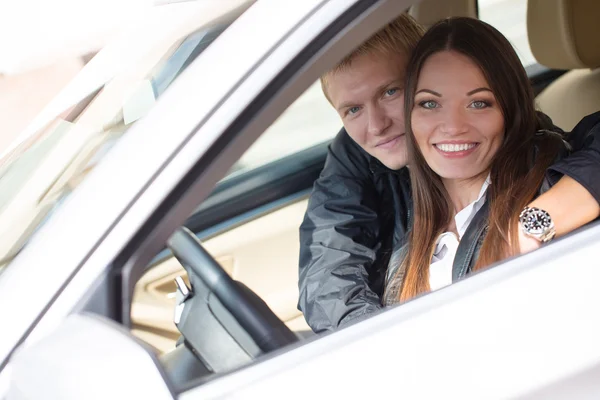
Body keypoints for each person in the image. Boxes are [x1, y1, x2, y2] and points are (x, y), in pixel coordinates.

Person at [298, 15, 600, 332]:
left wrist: (534, 224)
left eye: (390, 92)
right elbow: (328, 257)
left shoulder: (538, 171)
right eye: (352, 109)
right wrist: (374, 343)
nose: (375, 126)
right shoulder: (361, 154)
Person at [383, 17, 600, 304]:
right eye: (429, 103)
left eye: (478, 103)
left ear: (509, 112)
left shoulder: (551, 185)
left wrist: (531, 228)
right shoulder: (409, 245)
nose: (453, 125)